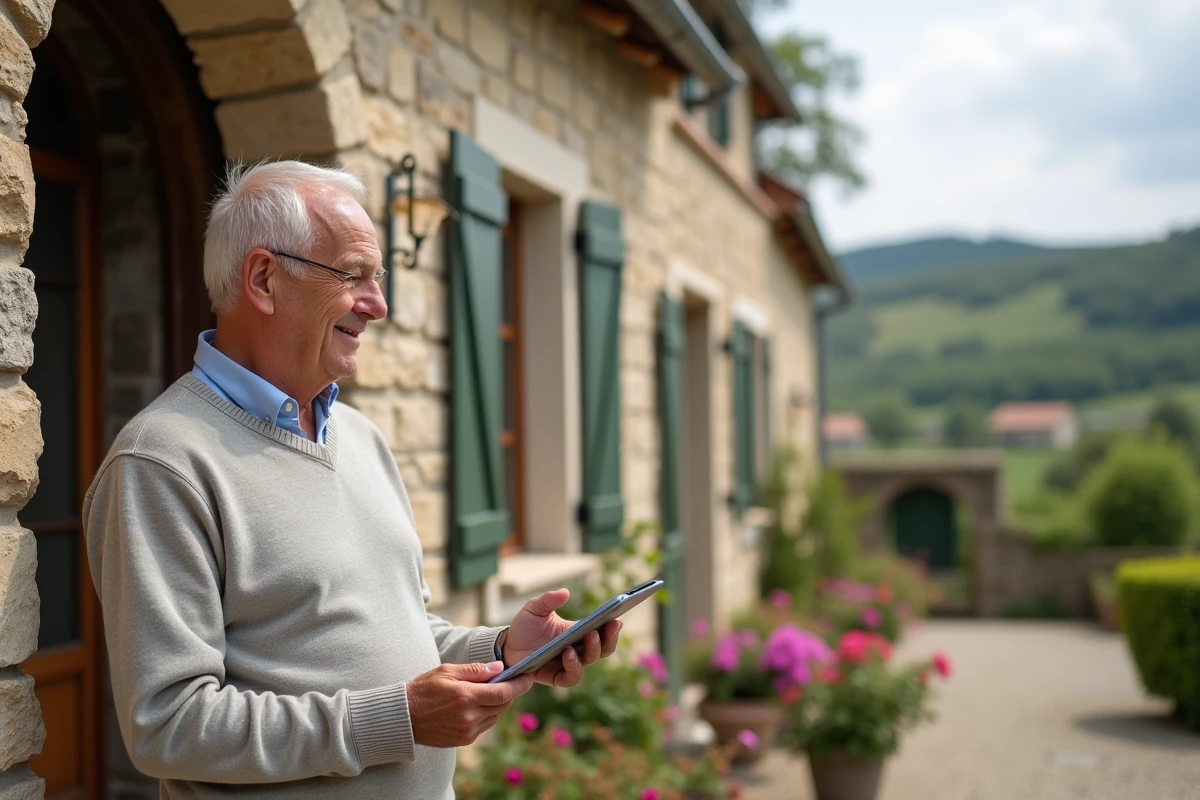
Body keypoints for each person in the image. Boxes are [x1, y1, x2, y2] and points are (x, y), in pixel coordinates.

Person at [82, 160, 622, 799]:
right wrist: (396, 718)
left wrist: (504, 649)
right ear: (263, 279)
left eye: (379, 277)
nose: (379, 303)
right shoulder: (162, 463)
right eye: (355, 275)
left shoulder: (361, 437)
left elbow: (402, 630)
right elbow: (169, 725)